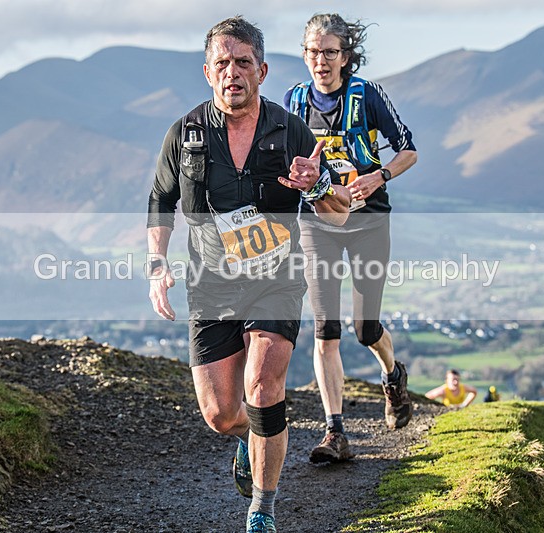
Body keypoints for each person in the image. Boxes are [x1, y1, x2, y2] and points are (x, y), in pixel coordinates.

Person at [146, 16, 350, 533]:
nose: (232, 72)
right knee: (220, 414)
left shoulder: (291, 130)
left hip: (275, 279)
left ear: (261, 70)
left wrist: (317, 185)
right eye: (222, 63)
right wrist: (156, 264)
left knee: (262, 384)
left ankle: (262, 509)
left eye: (242, 62)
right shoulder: (185, 133)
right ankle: (249, 436)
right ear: (207, 72)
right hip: (211, 284)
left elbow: (339, 214)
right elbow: (161, 200)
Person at [283, 13, 417, 463]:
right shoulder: (294, 101)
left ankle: (392, 375)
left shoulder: (367, 95)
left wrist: (380, 176)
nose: (320, 60)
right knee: (325, 330)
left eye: (330, 52)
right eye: (313, 51)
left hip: (368, 222)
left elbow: (409, 150)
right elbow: (285, 159)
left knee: (366, 329)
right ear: (304, 54)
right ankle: (335, 432)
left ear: (346, 55)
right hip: (316, 223)